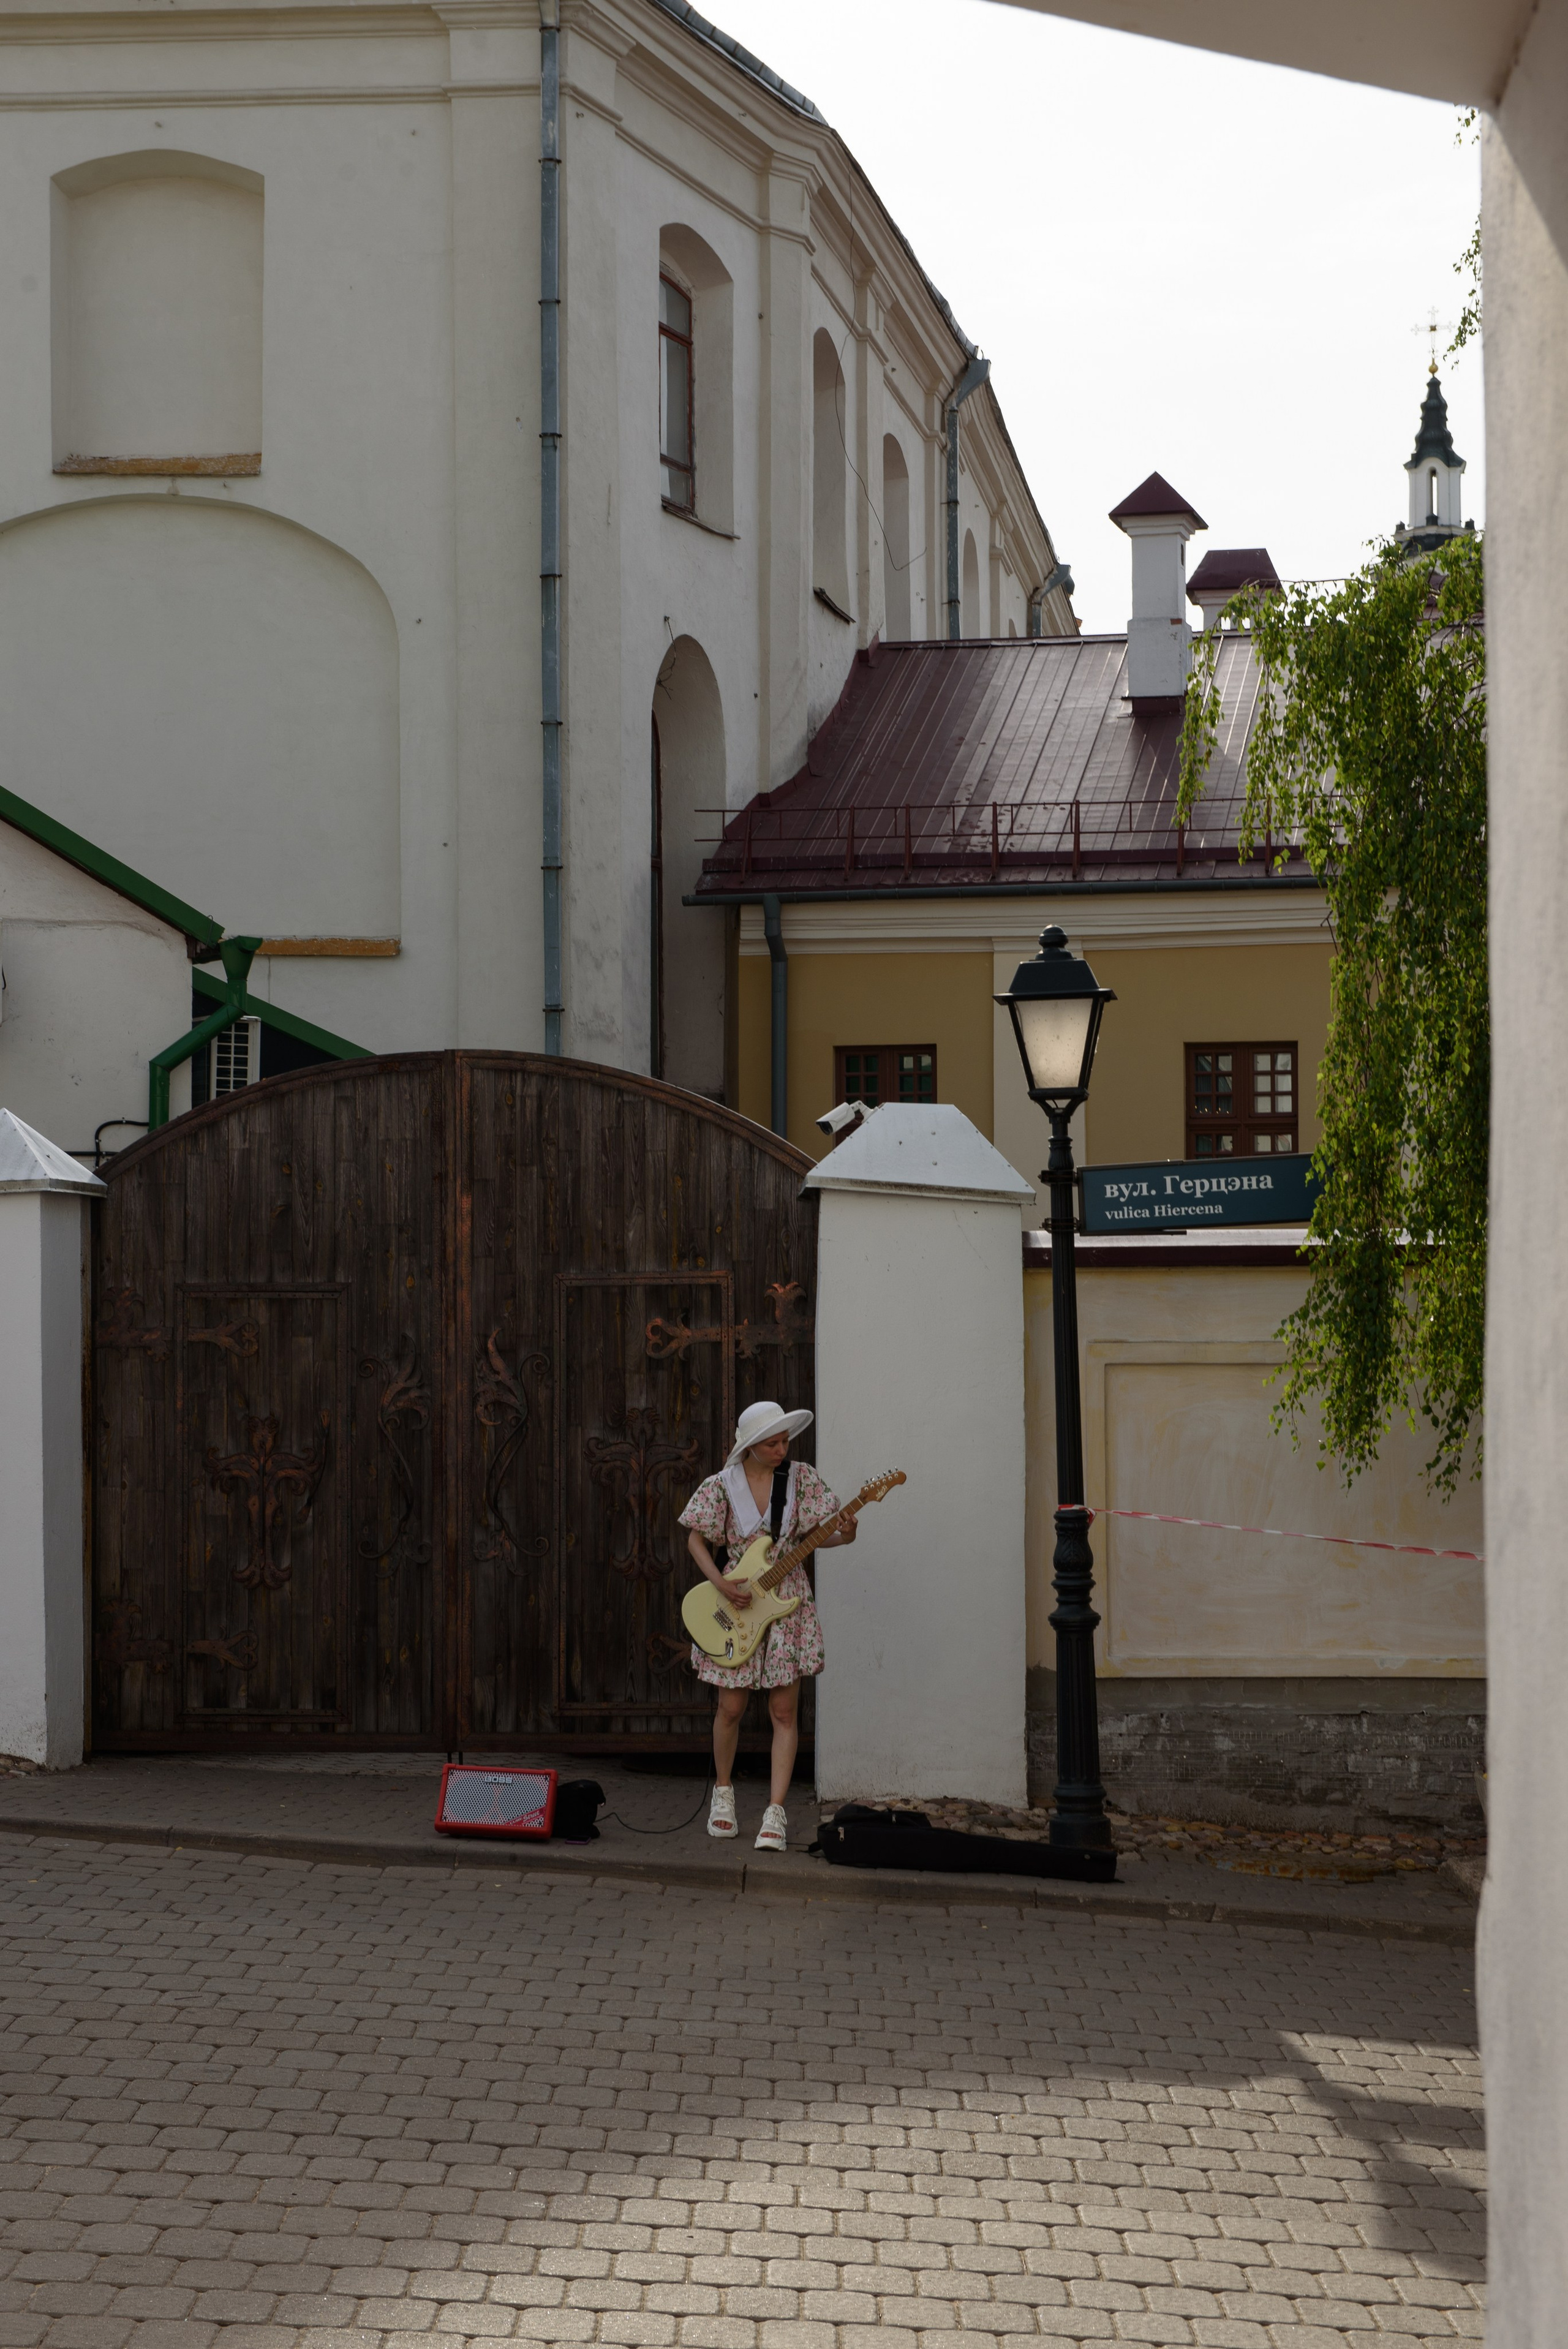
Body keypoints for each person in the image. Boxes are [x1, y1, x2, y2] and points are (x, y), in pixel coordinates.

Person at [679, 1398, 856, 1853]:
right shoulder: (723, 1485)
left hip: (785, 1603)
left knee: (783, 1711)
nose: (783, 1449)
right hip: (735, 1599)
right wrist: (721, 1583)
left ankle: (775, 1812)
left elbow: (826, 1534)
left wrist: (848, 1532)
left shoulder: (801, 1479)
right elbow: (695, 1540)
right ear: (751, 1446)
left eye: (785, 1441)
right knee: (732, 1708)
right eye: (773, 1443)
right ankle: (723, 1793)